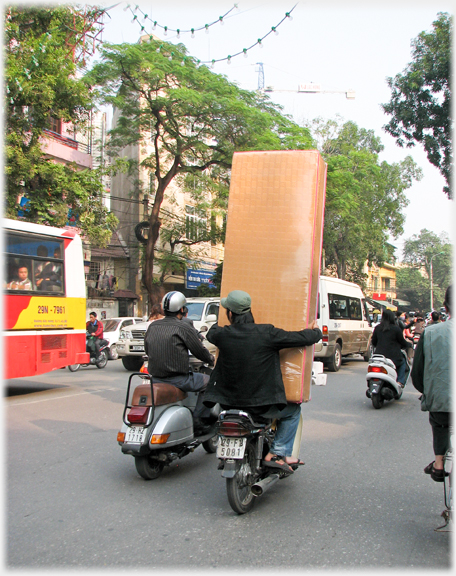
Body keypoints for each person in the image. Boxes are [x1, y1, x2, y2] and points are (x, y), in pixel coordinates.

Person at [203, 290, 322, 473]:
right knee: (293, 412)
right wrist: (315, 331)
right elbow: (300, 338)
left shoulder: (222, 334)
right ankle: (277, 453)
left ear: (230, 314)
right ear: (249, 311)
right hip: (261, 406)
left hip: (227, 403)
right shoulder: (266, 333)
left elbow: (211, 332)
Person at [143, 291, 215, 435]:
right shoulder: (183, 327)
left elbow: (147, 349)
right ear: (182, 309)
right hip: (179, 380)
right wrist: (211, 359)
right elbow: (199, 351)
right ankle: (198, 421)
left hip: (155, 379)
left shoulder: (153, 327)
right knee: (210, 382)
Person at [411, 286, 452, 482]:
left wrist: (427, 391)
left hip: (441, 400)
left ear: (446, 307)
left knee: (440, 422)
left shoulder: (430, 333)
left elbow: (417, 372)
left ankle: (438, 464)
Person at [371, 309, 408, 386]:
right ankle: (400, 382)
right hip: (394, 358)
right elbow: (402, 342)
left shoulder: (377, 328)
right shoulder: (396, 329)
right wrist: (408, 345)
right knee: (403, 362)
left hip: (379, 357)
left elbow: (373, 342)